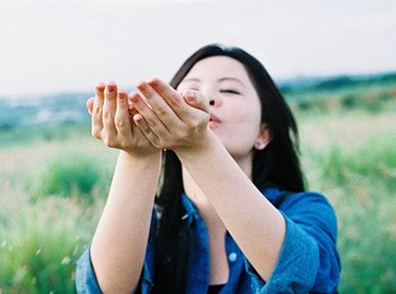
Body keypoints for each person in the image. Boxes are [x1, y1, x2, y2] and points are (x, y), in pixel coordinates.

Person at [75, 44, 341, 293]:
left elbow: (308, 281)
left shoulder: (306, 209)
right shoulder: (148, 227)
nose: (207, 97)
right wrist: (139, 154)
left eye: (230, 90)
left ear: (264, 132)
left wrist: (200, 146)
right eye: (190, 89)